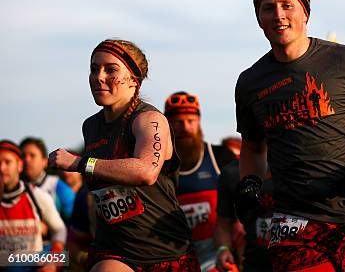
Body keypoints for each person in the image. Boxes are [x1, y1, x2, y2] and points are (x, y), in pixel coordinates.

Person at [235, 0, 345, 271]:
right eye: (268, 8)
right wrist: (249, 183)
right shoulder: (251, 82)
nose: (278, 14)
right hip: (293, 219)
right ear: (258, 18)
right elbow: (253, 148)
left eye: (287, 5)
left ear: (305, 13)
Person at [48, 39, 198, 271]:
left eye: (110, 69)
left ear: (133, 79)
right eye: (94, 68)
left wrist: (80, 163)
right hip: (114, 252)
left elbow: (146, 172)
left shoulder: (150, 120)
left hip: (166, 253)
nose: (99, 76)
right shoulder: (90, 127)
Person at [164, 91, 235, 271]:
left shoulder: (220, 156)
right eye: (178, 122)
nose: (185, 127)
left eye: (191, 121)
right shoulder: (157, 166)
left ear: (199, 122)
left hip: (216, 252)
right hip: (174, 256)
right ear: (167, 125)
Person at [0, 140, 66, 270]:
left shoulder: (37, 195)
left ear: (19, 166)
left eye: (7, 162)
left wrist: (53, 262)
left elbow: (60, 230)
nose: (1, 168)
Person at [214, 161, 273, 272]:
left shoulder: (294, 164)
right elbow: (223, 225)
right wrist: (223, 250)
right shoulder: (231, 173)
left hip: (295, 260)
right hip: (254, 264)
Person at [20, 137, 75, 222]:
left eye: (32, 155)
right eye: (23, 156)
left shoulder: (59, 188)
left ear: (44, 161)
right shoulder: (11, 188)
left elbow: (73, 226)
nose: (27, 160)